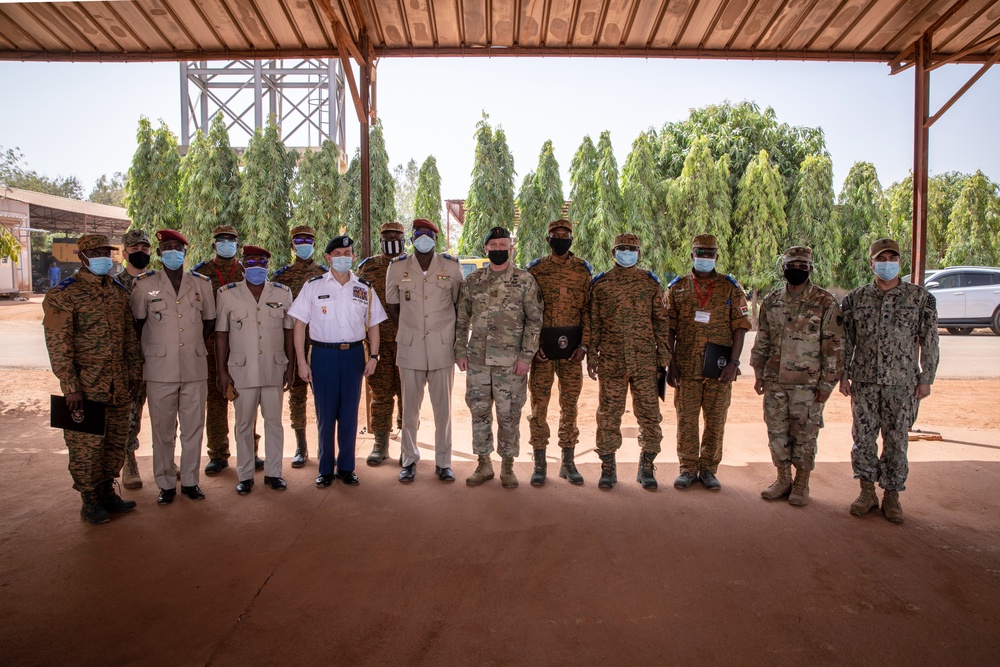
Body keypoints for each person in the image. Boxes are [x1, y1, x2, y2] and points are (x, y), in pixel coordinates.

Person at [43, 234, 143, 524]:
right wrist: (70, 386)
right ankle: (89, 499)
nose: (104, 257)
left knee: (114, 441)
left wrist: (135, 371)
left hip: (118, 383)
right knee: (86, 446)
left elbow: (128, 337)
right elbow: (58, 344)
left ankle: (107, 491)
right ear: (82, 256)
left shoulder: (117, 291)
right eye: (97, 252)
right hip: (86, 386)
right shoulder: (62, 294)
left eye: (106, 252)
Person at [840, 238, 939, 523]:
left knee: (896, 440)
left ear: (900, 262)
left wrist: (926, 377)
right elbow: (847, 341)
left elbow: (930, 340)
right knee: (863, 438)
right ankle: (867, 491)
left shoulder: (920, 299)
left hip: (903, 382)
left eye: (892, 258)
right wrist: (843, 375)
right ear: (871, 263)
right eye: (881, 259)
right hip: (865, 381)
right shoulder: (855, 299)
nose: (886, 264)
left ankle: (892, 495)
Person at [289, 235, 385, 488]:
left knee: (349, 415)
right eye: (338, 254)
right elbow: (299, 326)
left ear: (354, 256)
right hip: (323, 356)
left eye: (348, 253)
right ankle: (324, 469)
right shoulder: (313, 286)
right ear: (328, 258)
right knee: (325, 414)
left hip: (354, 355)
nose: (344, 258)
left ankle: (346, 468)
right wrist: (301, 361)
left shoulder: (365, 288)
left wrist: (373, 356)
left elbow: (374, 325)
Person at [751, 246, 844, 506]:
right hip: (775, 381)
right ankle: (783, 479)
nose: (797, 270)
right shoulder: (771, 301)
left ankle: (801, 483)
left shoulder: (825, 302)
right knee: (777, 431)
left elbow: (834, 346)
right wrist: (758, 372)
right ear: (783, 269)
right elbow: (764, 339)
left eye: (803, 266)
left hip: (809, 384)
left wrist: (827, 383)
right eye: (793, 265)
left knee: (805, 434)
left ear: (811, 269)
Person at [131, 229, 217, 504]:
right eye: (166, 248)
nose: (172, 252)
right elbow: (137, 323)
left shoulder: (202, 284)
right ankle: (166, 484)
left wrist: (189, 344)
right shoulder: (145, 285)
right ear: (158, 254)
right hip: (159, 369)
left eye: (177, 248)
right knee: (162, 430)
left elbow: (209, 322)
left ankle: (190, 481)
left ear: (185, 253)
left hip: (194, 366)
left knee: (193, 428)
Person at [455, 226, 543, 489]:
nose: (498, 249)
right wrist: (460, 351)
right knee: (479, 413)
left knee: (509, 415)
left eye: (502, 244)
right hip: (478, 361)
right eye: (493, 246)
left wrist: (526, 357)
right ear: (486, 249)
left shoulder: (525, 281)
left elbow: (535, 322)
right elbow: (461, 320)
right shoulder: (473, 282)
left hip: (511, 364)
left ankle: (507, 466)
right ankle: (484, 464)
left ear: (511, 247)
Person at [665, 234, 751, 491]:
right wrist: (671, 362)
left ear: (716, 257)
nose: (705, 257)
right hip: (686, 368)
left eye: (710, 253)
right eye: (700, 252)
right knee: (687, 420)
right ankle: (688, 468)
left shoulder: (730, 288)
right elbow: (668, 328)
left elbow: (740, 327)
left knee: (715, 420)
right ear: (692, 255)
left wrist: (734, 363)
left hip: (719, 368)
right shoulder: (677, 288)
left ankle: (709, 469)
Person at [588, 233, 671, 490]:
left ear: (639, 253)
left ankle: (647, 465)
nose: (627, 252)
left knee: (649, 415)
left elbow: (661, 321)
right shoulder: (601, 285)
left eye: (632, 248)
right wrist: (591, 355)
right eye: (622, 248)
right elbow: (594, 324)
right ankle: (608, 466)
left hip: (645, 361)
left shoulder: (649, 284)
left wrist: (664, 356)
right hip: (612, 361)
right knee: (608, 416)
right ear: (613, 253)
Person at [385, 218, 465, 483]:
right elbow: (393, 307)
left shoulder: (452, 267)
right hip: (410, 348)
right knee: (409, 411)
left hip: (442, 349)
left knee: (443, 411)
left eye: (429, 234)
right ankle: (409, 460)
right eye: (419, 234)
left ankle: (444, 463)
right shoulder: (396, 268)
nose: (424, 238)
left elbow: (457, 304)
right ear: (411, 239)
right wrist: (412, 329)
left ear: (436, 239)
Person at [215, 245, 296, 495]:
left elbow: (289, 331)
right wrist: (221, 372)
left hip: (274, 368)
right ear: (242, 265)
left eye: (261, 262)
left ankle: (274, 473)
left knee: (274, 423)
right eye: (250, 262)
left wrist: (291, 366)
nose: (256, 267)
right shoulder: (227, 294)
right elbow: (221, 335)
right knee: (243, 424)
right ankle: (245, 475)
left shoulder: (283, 292)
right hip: (242, 370)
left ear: (267, 266)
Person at [525, 219, 592, 486]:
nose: (561, 238)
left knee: (570, 406)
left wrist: (584, 346)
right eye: (556, 235)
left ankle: (567, 461)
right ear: (548, 239)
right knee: (539, 407)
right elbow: (526, 312)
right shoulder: (536, 271)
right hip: (542, 353)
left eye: (566, 235)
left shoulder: (582, 271)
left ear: (572, 239)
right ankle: (539, 461)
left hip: (572, 354)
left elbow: (588, 311)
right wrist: (533, 347)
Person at [192, 225, 260, 475]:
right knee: (217, 400)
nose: (227, 243)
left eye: (231, 240)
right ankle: (218, 454)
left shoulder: (248, 271)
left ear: (238, 244)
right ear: (213, 245)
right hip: (211, 348)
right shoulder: (200, 274)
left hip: (244, 346)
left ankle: (251, 451)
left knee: (248, 400)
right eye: (222, 240)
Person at [271, 225, 327, 467]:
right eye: (299, 240)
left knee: (323, 396)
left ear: (315, 244)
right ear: (292, 246)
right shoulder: (281, 277)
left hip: (320, 344)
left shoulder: (326, 274)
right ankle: (301, 446)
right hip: (293, 344)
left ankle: (324, 446)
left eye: (308, 240)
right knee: (296, 395)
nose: (304, 244)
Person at [357, 221, 405, 465]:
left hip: (408, 341)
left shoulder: (412, 265)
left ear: (404, 239)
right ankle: (381, 443)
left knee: (408, 393)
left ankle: (408, 440)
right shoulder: (368, 268)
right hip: (379, 344)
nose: (392, 239)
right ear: (381, 239)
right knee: (381, 393)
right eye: (388, 235)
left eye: (397, 235)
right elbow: (358, 302)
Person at [113, 228, 152, 489]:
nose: (140, 253)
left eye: (145, 249)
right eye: (135, 249)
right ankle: (129, 462)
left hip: (158, 357)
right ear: (124, 252)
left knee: (166, 412)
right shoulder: (114, 286)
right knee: (130, 414)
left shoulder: (158, 283)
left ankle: (166, 459)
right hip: (129, 363)